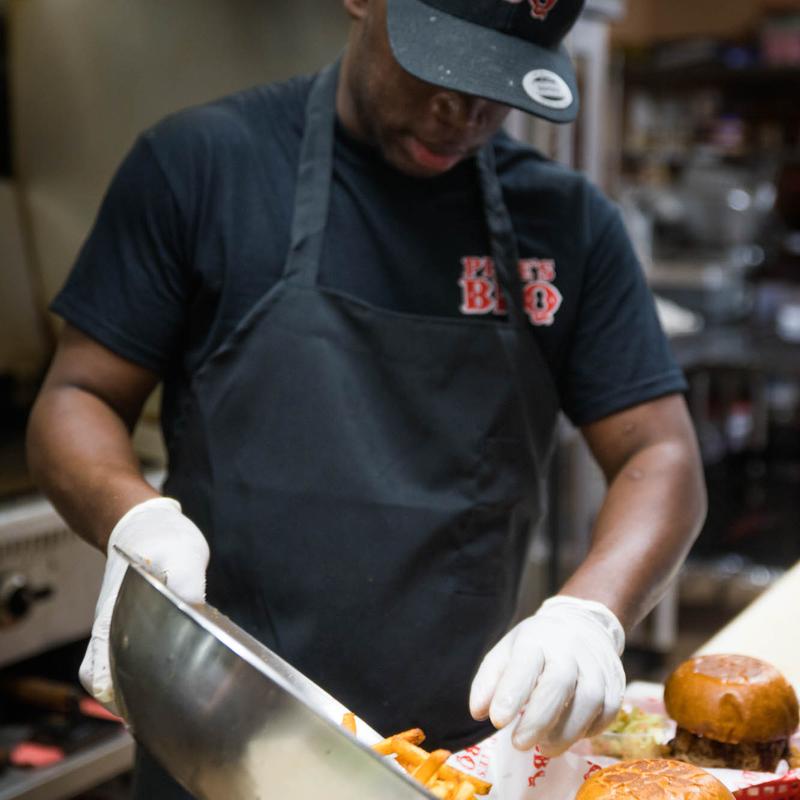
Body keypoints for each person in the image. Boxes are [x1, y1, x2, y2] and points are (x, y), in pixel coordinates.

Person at [27, 0, 707, 796]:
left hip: (456, 766)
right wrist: (132, 518)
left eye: (500, 83)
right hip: (218, 757)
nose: (466, 111)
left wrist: (590, 614)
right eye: (443, 66)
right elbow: (76, 398)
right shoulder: (203, 167)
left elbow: (659, 454)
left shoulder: (567, 223)